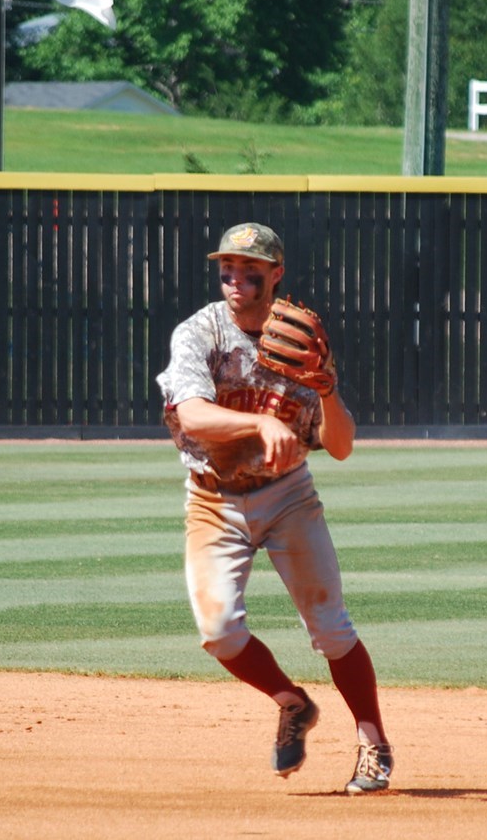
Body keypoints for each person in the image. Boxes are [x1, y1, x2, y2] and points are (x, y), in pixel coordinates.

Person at [155, 221, 394, 794]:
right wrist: (261, 420)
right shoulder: (200, 332)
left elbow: (339, 447)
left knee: (332, 628)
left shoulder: (298, 338)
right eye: (227, 270)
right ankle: (292, 702)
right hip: (214, 497)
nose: (235, 280)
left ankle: (373, 744)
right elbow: (191, 416)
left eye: (249, 271)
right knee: (218, 632)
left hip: (289, 497)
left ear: (275, 274)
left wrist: (329, 389)